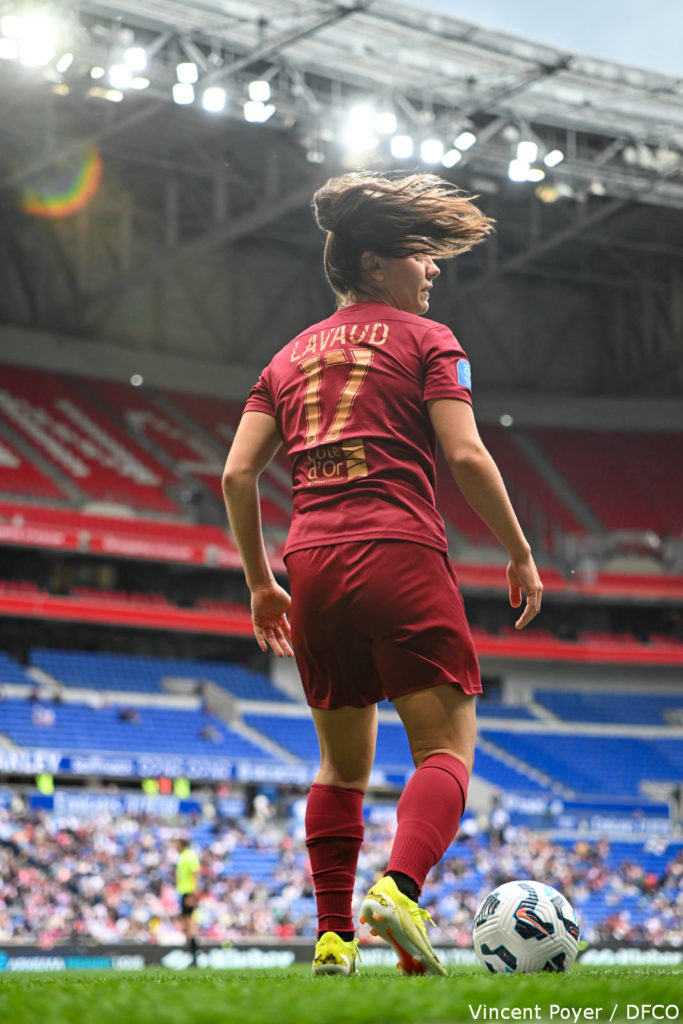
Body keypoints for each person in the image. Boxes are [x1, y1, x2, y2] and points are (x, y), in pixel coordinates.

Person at [222, 172, 543, 977]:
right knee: (445, 749)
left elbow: (236, 475)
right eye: (419, 254)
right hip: (398, 550)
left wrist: (260, 583)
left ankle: (333, 939)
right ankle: (398, 891)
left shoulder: (285, 356)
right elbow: (465, 454)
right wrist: (517, 550)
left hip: (311, 565)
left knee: (340, 767)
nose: (432, 269)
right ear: (372, 263)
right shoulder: (428, 339)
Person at [175, 836, 201, 964]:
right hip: (183, 892)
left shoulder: (190, 856)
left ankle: (195, 955)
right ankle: (191, 954)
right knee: (186, 925)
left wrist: (193, 893)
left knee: (190, 924)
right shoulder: (182, 856)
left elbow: (195, 873)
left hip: (188, 892)